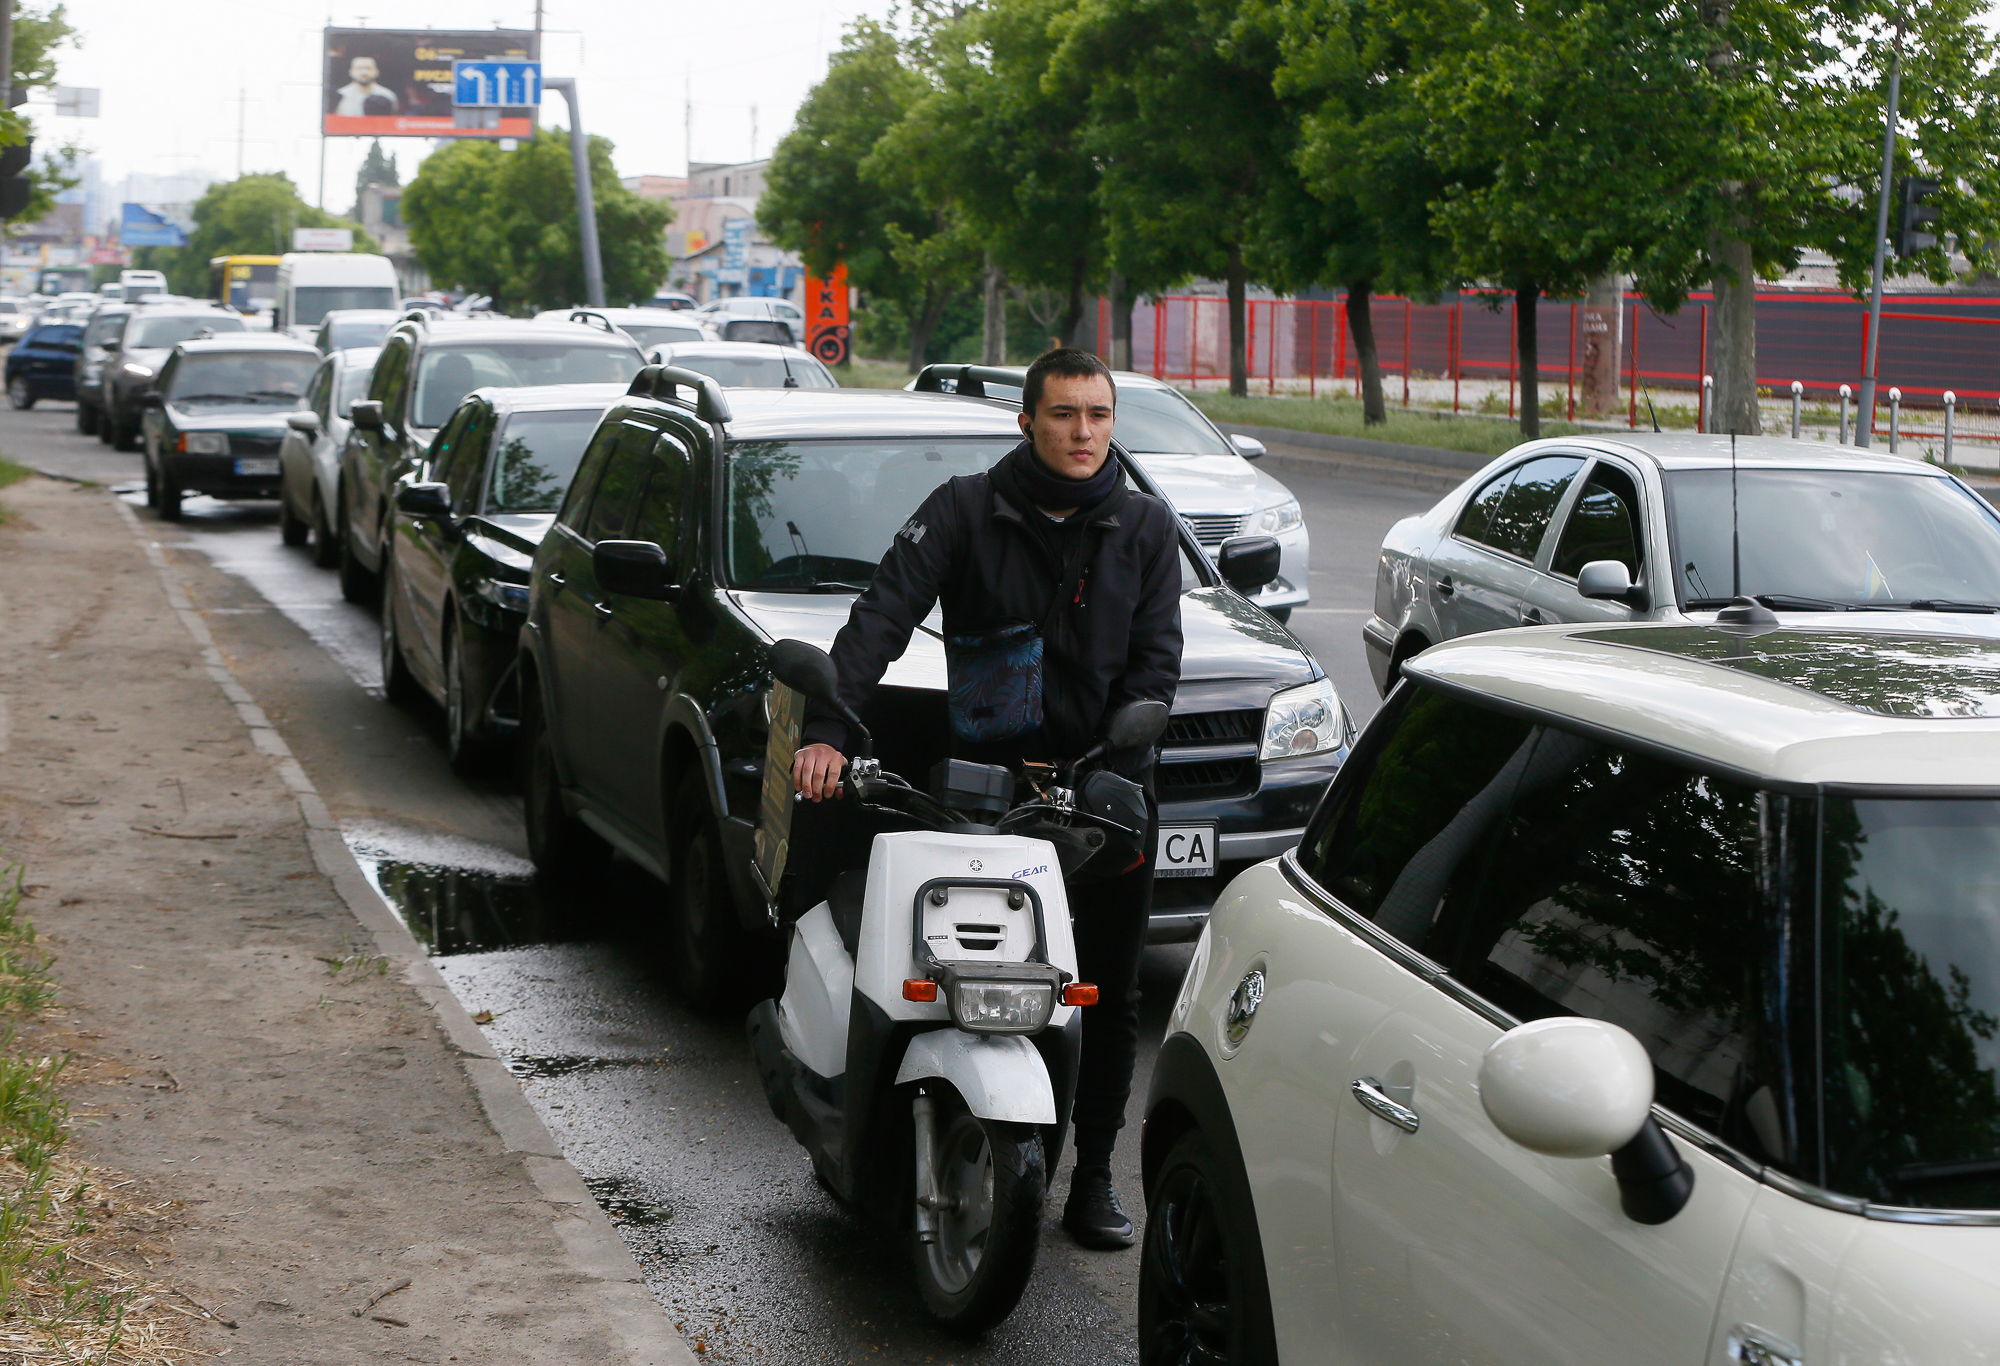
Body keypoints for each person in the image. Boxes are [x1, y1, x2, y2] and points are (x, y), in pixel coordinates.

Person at [792, 348, 1183, 1249]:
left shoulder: (1147, 526)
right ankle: (921, 1135)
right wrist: (828, 727)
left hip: (1105, 789)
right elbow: (880, 619)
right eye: (1063, 415)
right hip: (984, 795)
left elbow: (1158, 664)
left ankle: (1090, 1179)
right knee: (958, 972)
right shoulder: (965, 509)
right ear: (1027, 421)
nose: (1083, 433)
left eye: (1098, 415)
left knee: (1106, 991)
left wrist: (1122, 753)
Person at [332, 56, 397, 117]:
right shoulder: (340, 95)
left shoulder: (388, 95)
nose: (364, 72)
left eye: (368, 68)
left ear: (377, 72)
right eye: (359, 69)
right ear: (351, 72)